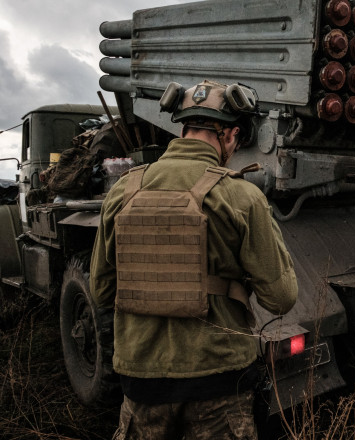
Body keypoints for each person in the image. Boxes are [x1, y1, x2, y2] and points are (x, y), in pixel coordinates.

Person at [90, 80, 298, 439]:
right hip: (218, 380)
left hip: (142, 382)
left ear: (183, 128)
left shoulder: (123, 190)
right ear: (231, 135)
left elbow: (101, 291)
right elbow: (280, 299)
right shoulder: (242, 196)